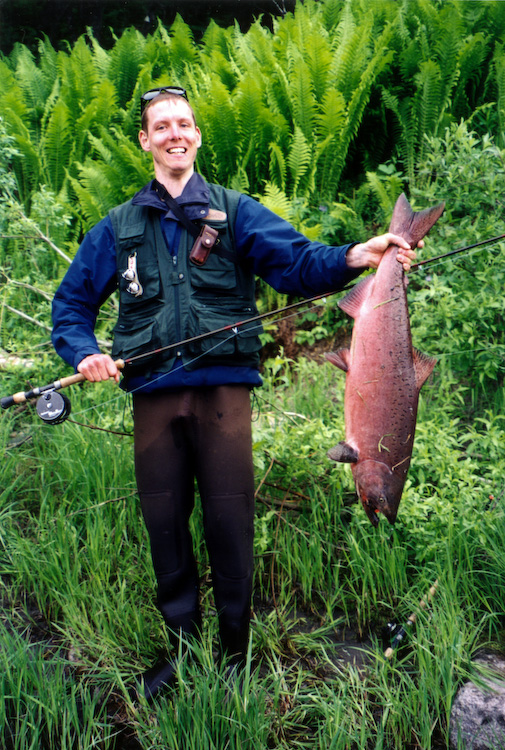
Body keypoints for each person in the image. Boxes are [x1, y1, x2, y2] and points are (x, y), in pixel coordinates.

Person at [51, 85, 417, 700]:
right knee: (163, 522)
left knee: (229, 521)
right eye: (161, 126)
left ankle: (234, 654)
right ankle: (183, 649)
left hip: (225, 393)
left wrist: (360, 253)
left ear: (197, 136)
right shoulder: (115, 228)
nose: (175, 133)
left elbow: (298, 263)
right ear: (145, 140)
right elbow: (71, 306)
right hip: (155, 396)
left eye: (184, 124)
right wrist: (84, 353)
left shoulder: (234, 211)